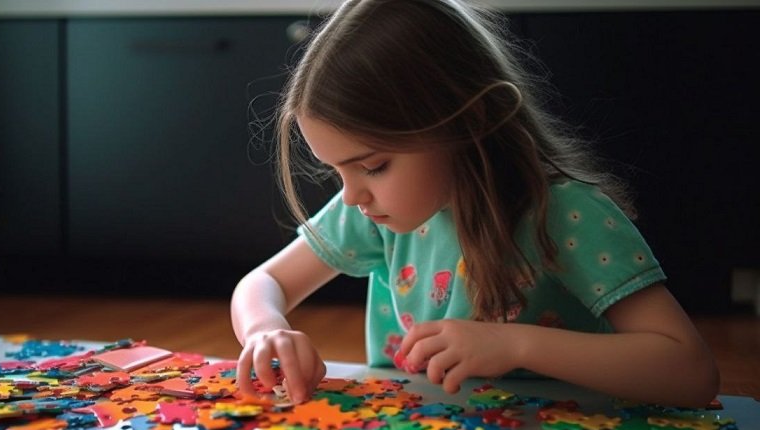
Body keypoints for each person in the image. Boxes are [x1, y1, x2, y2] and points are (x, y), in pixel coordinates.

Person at [230, 0, 719, 408]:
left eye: (374, 166)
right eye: (338, 171)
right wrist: (265, 330)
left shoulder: (567, 213)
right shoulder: (374, 212)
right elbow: (263, 282)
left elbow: (690, 372)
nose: (352, 195)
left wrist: (517, 345)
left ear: (469, 120)